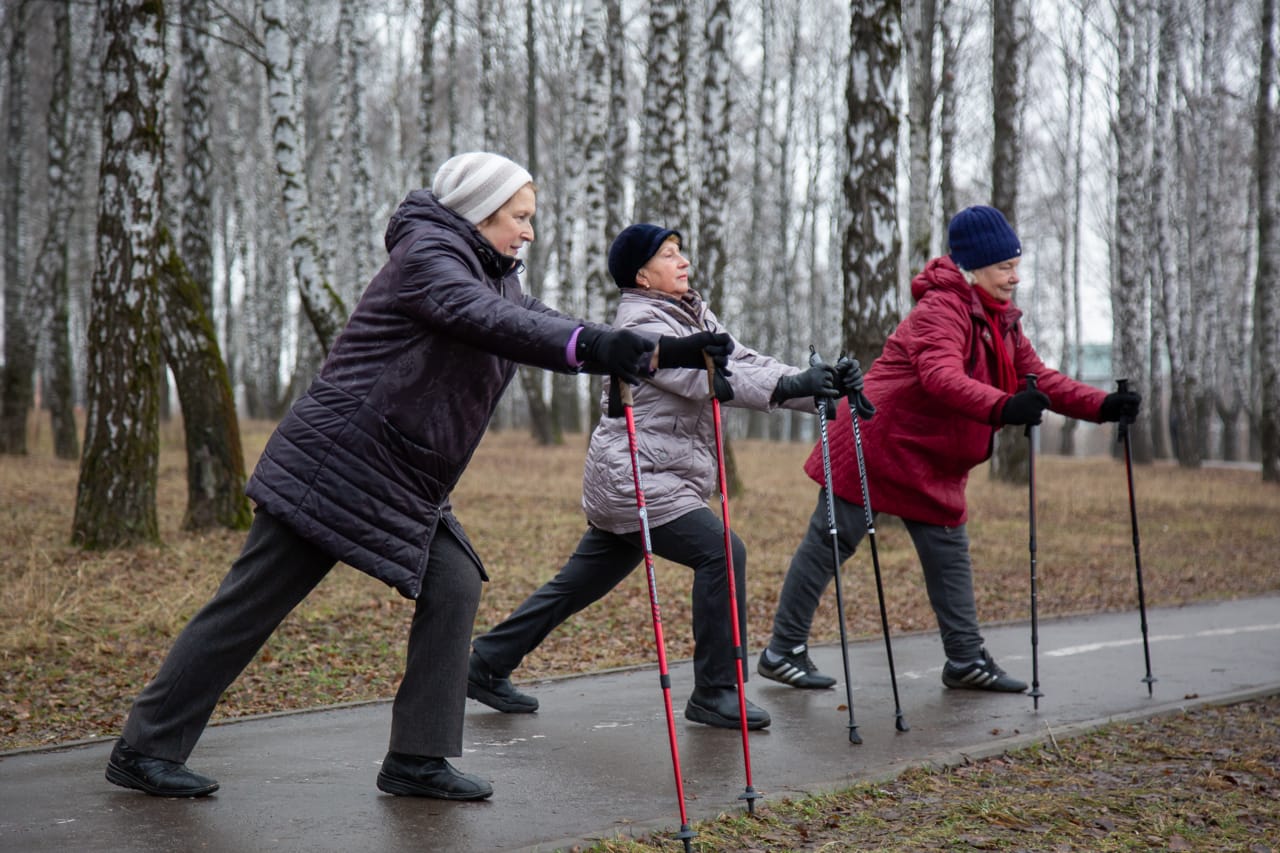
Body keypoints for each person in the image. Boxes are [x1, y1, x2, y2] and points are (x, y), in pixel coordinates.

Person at [104, 153, 728, 802]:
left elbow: (536, 319)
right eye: (519, 217)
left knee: (454, 581)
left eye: (530, 218)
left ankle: (417, 758)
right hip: (341, 462)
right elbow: (489, 320)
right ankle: (145, 747)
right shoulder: (428, 257)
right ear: (479, 212)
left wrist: (667, 350)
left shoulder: (495, 274)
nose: (529, 233)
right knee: (252, 600)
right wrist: (594, 349)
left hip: (403, 473)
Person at [466, 223, 862, 731]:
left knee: (579, 583)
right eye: (669, 255)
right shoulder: (640, 323)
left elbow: (742, 361)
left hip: (649, 476)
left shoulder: (689, 312)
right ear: (641, 276)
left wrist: (824, 388)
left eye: (682, 252)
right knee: (722, 551)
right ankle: (717, 691)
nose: (684, 262)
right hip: (636, 478)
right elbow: (706, 378)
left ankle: (486, 663)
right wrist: (787, 386)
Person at [756, 205, 1142, 694]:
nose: (1015, 277)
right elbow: (943, 378)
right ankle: (782, 651)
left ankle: (964, 660)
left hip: (933, 459)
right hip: (876, 446)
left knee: (948, 555)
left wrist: (1103, 405)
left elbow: (1038, 378)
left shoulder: (1001, 321)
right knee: (828, 544)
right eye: (1005, 267)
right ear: (972, 267)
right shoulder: (939, 310)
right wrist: (1004, 408)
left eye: (1016, 265)